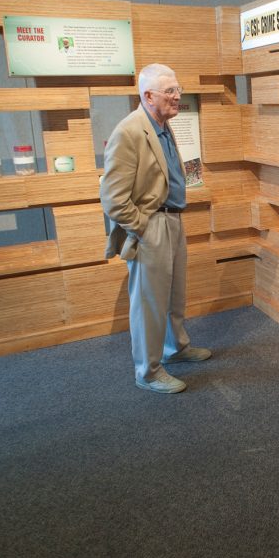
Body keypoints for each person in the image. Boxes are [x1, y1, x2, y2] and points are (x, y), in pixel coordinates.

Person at [100, 63, 211, 394]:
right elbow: (113, 198)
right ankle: (147, 372)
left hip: (173, 219)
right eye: (170, 91)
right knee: (149, 305)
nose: (177, 97)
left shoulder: (161, 125)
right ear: (148, 96)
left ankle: (174, 349)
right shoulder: (129, 131)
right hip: (152, 224)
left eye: (178, 90)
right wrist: (142, 228)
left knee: (174, 294)